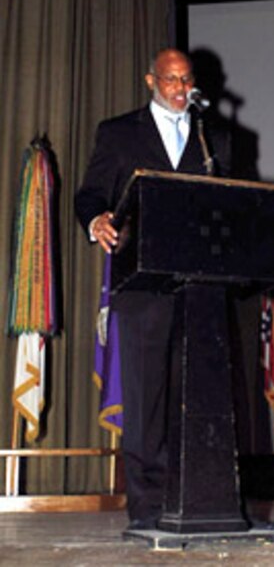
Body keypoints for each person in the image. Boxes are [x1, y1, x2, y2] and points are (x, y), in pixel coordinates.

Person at [74, 48, 231, 531]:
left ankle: (201, 500)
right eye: (171, 80)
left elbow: (227, 202)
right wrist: (96, 220)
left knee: (198, 398)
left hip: (200, 288)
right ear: (150, 81)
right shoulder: (119, 133)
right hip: (141, 286)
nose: (181, 89)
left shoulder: (214, 137)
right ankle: (147, 510)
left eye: (187, 80)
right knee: (145, 403)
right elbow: (91, 195)